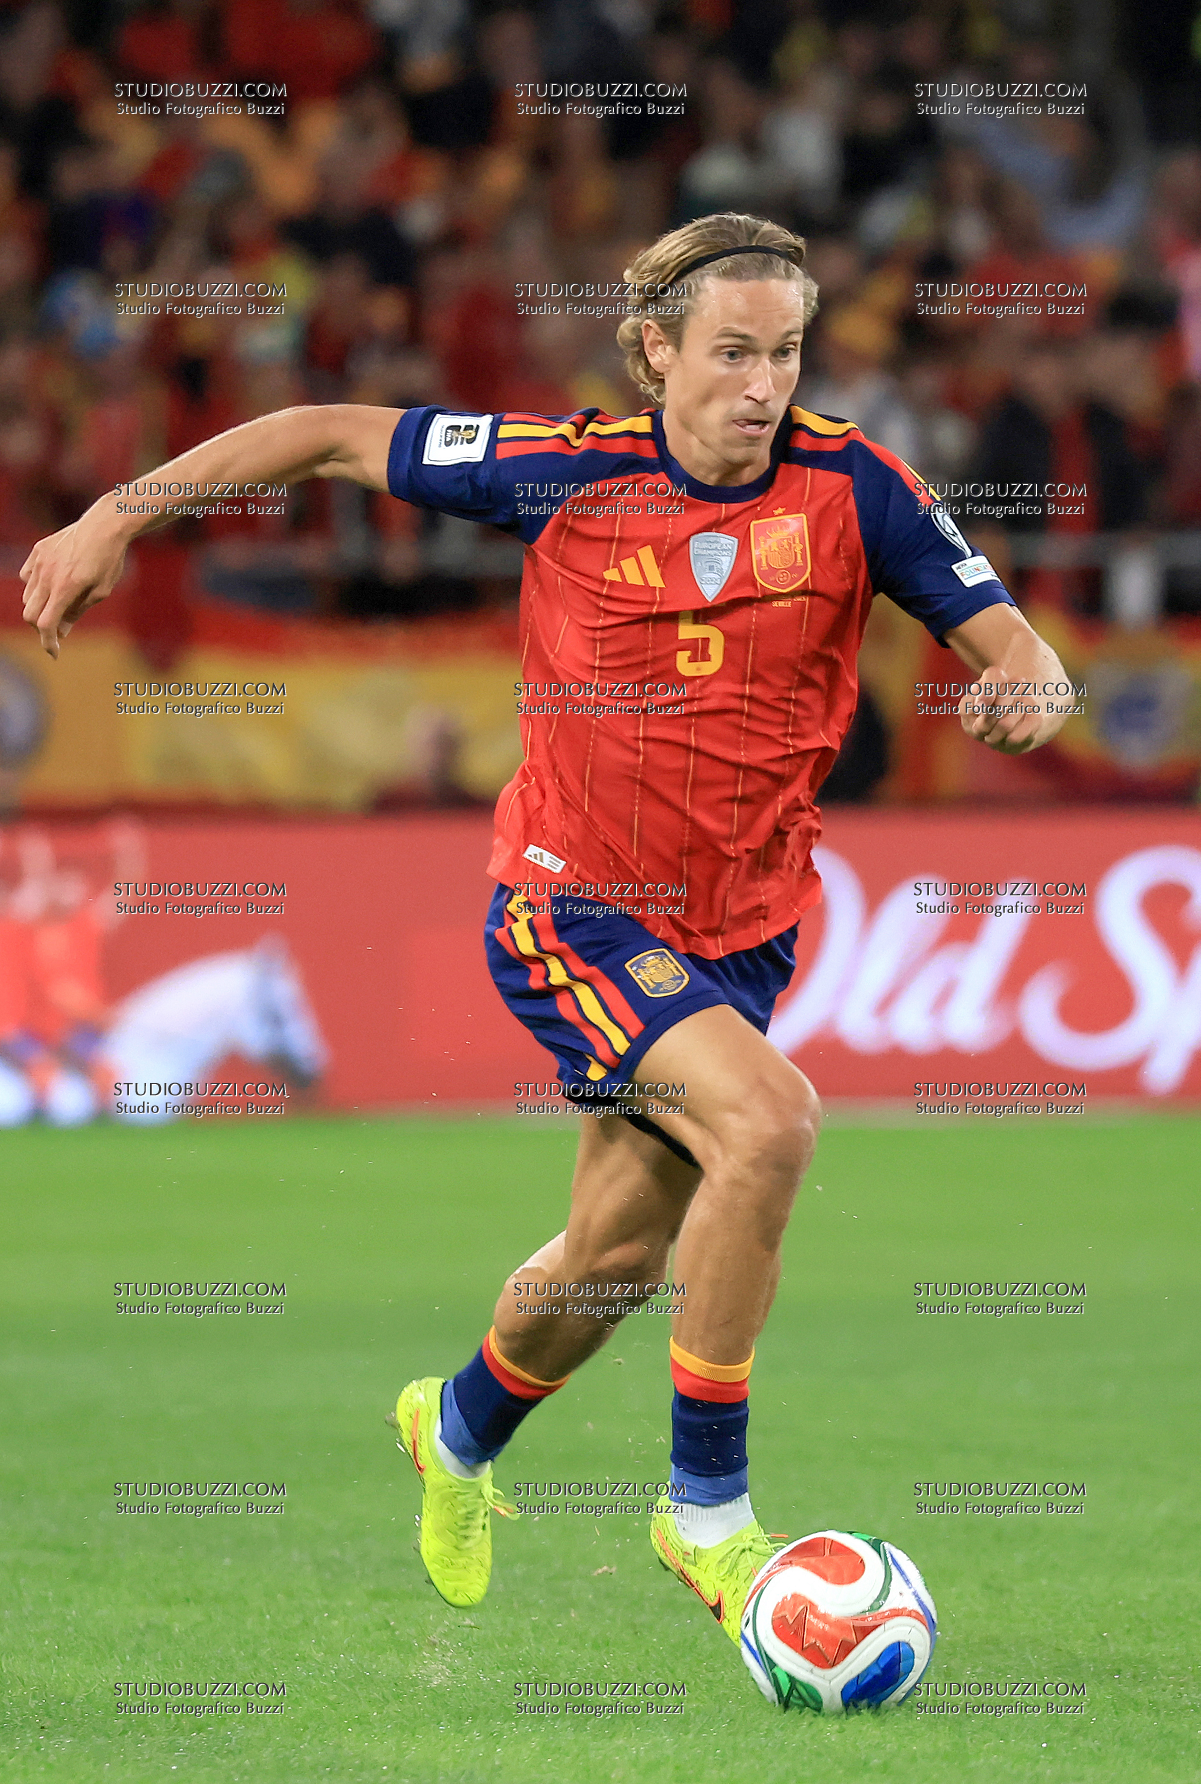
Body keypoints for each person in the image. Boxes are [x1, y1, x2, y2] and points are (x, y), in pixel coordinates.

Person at [19, 211, 1073, 1649]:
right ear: (655, 353)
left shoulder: (859, 487)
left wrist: (1030, 689)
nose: (764, 385)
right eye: (731, 353)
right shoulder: (564, 470)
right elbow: (329, 434)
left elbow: (1015, 644)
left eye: (785, 353)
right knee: (770, 1126)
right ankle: (708, 1517)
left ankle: (451, 1432)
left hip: (746, 930)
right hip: (570, 905)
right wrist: (114, 513)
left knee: (613, 1257)